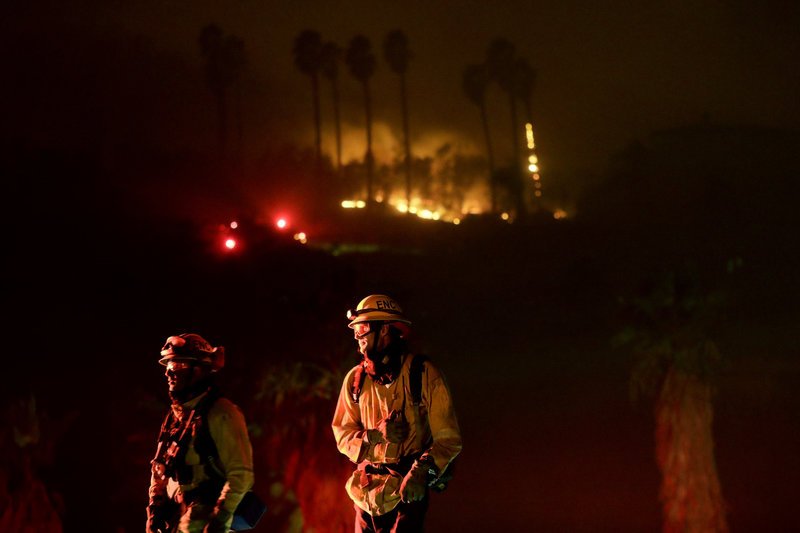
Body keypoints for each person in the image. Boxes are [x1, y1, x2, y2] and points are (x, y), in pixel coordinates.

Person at [332, 295, 462, 532]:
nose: (356, 336)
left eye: (362, 328)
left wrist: (420, 472)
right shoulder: (355, 380)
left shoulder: (422, 374)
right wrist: (375, 435)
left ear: (383, 330)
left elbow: (449, 439)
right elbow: (342, 436)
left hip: (407, 494)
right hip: (364, 498)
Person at [146, 333, 254, 533]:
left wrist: (220, 518)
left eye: (176, 365)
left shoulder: (221, 411)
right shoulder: (174, 416)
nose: (168, 373)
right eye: (168, 366)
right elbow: (159, 468)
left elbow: (241, 474)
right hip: (176, 518)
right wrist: (155, 508)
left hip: (203, 520)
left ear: (198, 370)